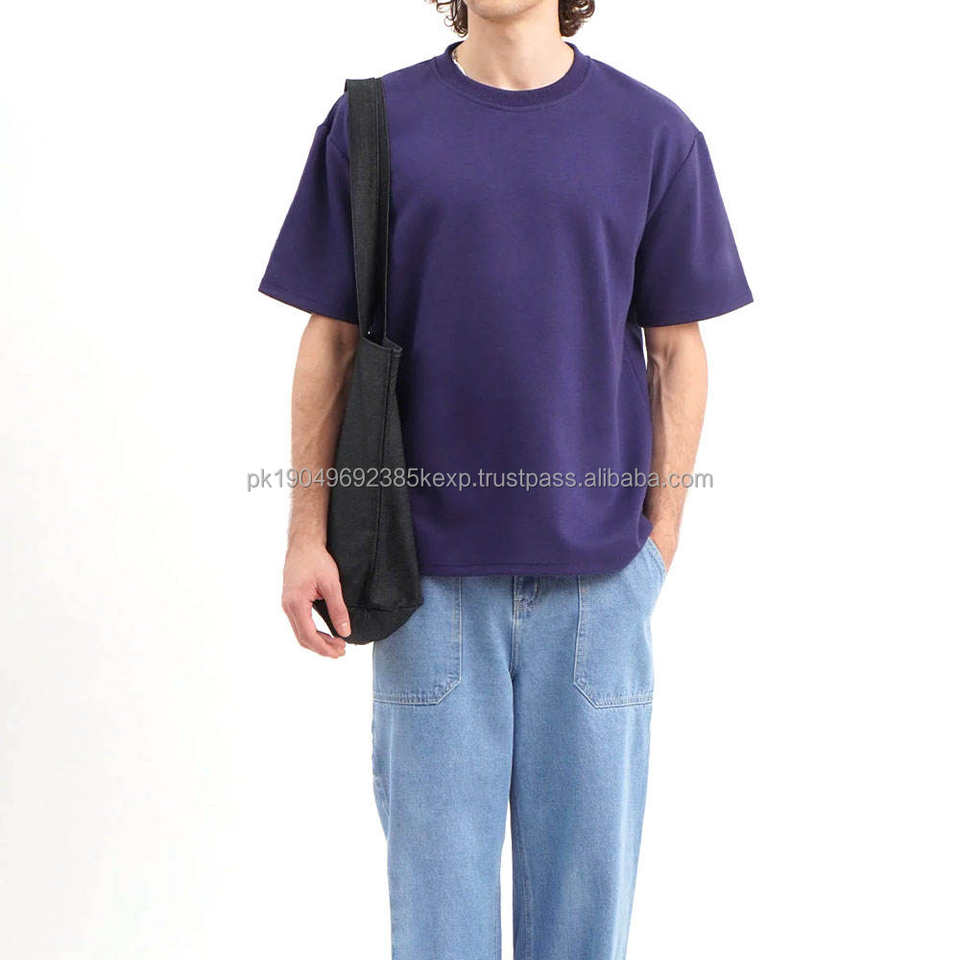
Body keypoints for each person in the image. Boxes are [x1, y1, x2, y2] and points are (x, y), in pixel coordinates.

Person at [260, 1, 752, 956]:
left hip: (599, 586)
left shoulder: (653, 133)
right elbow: (330, 340)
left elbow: (677, 348)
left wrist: (660, 541)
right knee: (438, 926)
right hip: (423, 583)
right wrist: (304, 534)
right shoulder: (374, 123)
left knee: (583, 931)